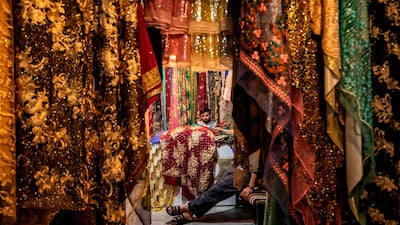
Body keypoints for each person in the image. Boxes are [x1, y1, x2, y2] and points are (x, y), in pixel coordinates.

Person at [165, 148, 263, 224]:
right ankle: (190, 212)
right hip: (246, 169)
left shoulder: (256, 129)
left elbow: (256, 163)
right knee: (223, 180)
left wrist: (250, 186)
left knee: (223, 186)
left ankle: (188, 207)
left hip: (258, 176)